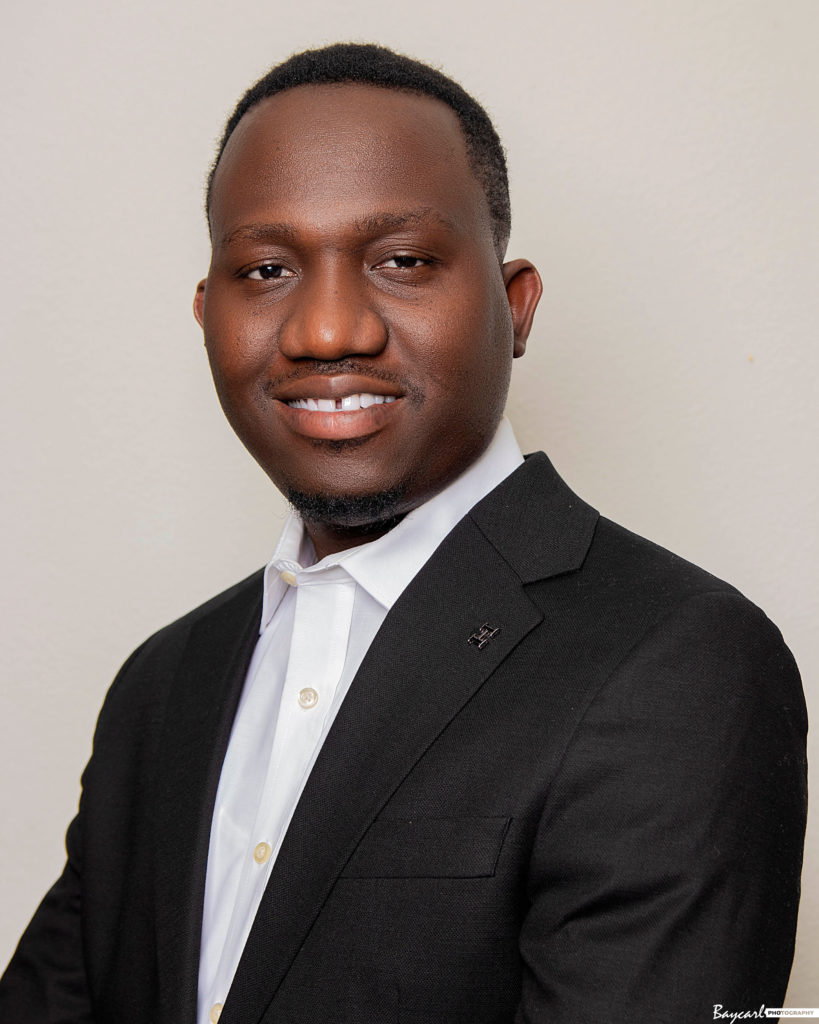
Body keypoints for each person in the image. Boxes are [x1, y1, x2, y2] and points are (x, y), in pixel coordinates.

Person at [0, 43, 807, 1024]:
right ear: (208, 317)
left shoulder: (678, 660)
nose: (327, 330)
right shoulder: (162, 685)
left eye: (403, 262)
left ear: (515, 305)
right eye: (267, 269)